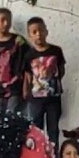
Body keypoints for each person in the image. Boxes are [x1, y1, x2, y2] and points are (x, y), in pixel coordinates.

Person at [22, 16, 67, 148]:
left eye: (41, 30)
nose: (38, 34)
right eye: (34, 32)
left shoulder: (56, 51)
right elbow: (27, 75)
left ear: (46, 31)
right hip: (36, 99)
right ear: (29, 35)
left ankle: (54, 155)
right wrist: (26, 90)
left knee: (53, 129)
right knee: (37, 129)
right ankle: (39, 155)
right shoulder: (29, 55)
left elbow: (61, 69)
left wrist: (55, 83)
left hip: (53, 97)